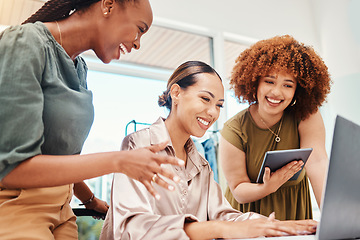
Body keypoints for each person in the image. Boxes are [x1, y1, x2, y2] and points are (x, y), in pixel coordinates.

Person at [0, 0, 184, 239]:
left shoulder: (80, 68)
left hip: (63, 213)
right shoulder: (25, 43)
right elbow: (12, 169)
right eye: (140, 29)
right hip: (18, 211)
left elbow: (60, 157)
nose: (138, 43)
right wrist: (120, 161)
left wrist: (89, 199)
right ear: (108, 6)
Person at [100, 61, 318, 239]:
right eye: (205, 99)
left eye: (219, 105)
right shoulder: (136, 145)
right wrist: (216, 229)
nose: (213, 112)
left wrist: (269, 225)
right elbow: (130, 228)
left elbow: (222, 214)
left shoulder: (201, 165)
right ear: (176, 93)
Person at [219, 35, 331, 221]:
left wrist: (332, 219)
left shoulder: (306, 116)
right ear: (254, 82)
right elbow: (238, 189)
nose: (276, 92)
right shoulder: (234, 129)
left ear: (298, 90)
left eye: (288, 85)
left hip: (293, 210)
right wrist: (268, 187)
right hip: (248, 216)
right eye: (269, 81)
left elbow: (318, 163)